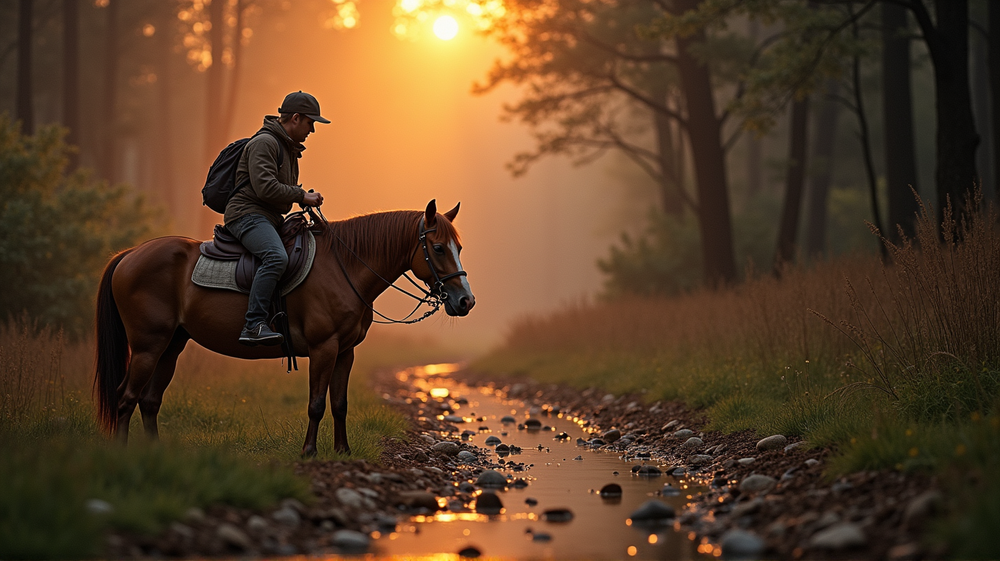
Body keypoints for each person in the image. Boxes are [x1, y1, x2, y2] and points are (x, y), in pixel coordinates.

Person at [224, 91, 328, 346]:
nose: (312, 130)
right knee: (276, 256)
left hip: (268, 217)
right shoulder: (265, 143)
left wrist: (301, 198)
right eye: (310, 122)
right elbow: (265, 188)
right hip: (246, 215)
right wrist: (301, 195)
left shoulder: (287, 148)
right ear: (295, 118)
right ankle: (254, 324)